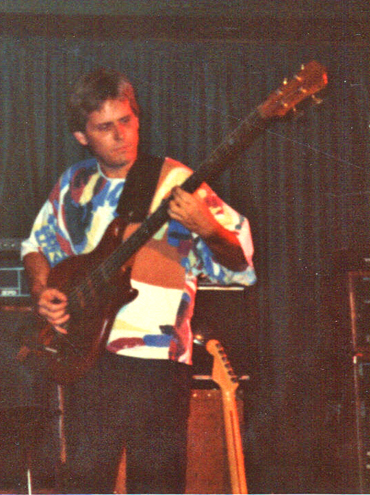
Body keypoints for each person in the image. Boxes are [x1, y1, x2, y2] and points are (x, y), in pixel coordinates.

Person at [22, 68, 255, 494]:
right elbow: (36, 245)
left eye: (126, 121)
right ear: (81, 136)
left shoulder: (176, 181)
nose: (120, 136)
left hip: (158, 361)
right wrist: (43, 290)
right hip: (87, 357)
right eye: (104, 127)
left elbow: (239, 265)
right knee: (84, 482)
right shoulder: (74, 183)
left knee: (157, 484)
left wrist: (208, 228)